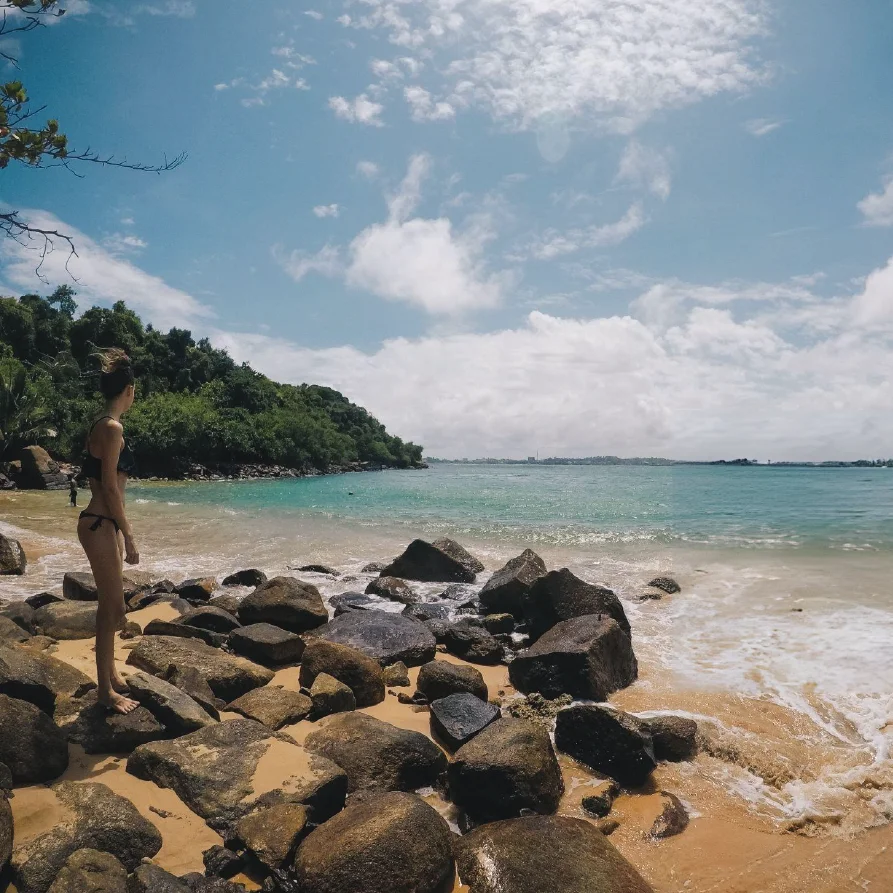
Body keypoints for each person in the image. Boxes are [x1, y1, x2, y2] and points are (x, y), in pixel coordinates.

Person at [77, 348, 140, 714]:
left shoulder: (100, 424)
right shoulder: (112, 428)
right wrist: (128, 534)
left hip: (102, 523)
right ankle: (105, 692)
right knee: (111, 607)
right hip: (101, 523)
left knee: (115, 608)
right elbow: (109, 486)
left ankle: (111, 674)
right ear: (129, 390)